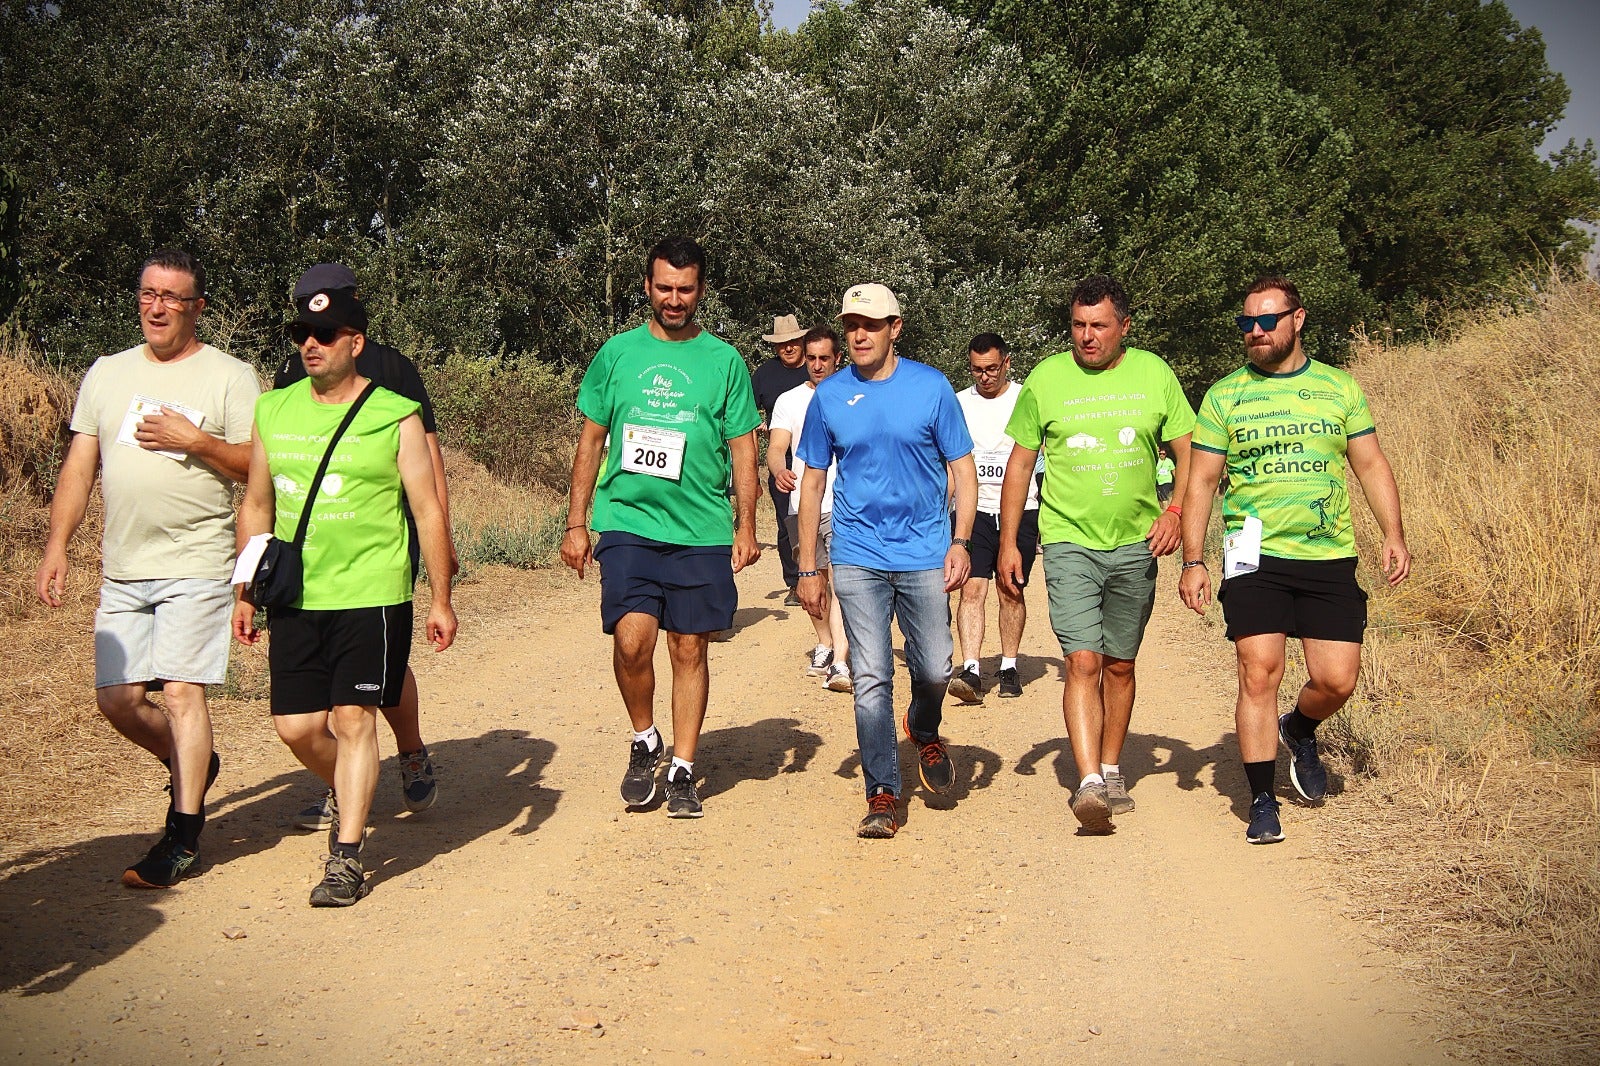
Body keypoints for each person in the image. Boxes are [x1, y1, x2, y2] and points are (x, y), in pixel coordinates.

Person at [36, 249, 259, 888]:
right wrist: (57, 545)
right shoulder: (107, 373)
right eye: (148, 294)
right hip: (125, 565)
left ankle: (183, 835)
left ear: (198, 308)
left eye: (172, 298)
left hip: (198, 559)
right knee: (118, 700)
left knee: (184, 691)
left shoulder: (230, 376)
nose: (157, 308)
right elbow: (81, 466)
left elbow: (257, 467)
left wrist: (198, 442)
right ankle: (194, 763)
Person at [233, 283, 456, 906]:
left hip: (371, 589)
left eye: (325, 335)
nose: (311, 344)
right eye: (302, 334)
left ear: (354, 343)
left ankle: (347, 855)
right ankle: (357, 785)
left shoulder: (395, 413)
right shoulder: (272, 410)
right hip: (296, 593)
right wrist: (245, 590)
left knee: (354, 718)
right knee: (296, 727)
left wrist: (440, 596)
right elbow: (257, 504)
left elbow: (427, 509)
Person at [1178, 275, 1410, 844]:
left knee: (1337, 680)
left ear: (1297, 320)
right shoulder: (1224, 396)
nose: (1255, 332)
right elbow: (1202, 481)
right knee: (1259, 670)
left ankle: (1299, 727)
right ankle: (1262, 800)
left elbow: (1370, 464)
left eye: (1267, 321)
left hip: (1328, 554)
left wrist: (1393, 533)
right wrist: (1193, 560)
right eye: (1246, 323)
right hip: (1253, 554)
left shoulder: (1338, 388)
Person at [561, 236, 761, 819]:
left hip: (700, 527)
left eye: (686, 289)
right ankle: (645, 736)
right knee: (631, 640)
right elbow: (591, 440)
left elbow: (744, 448)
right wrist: (576, 523)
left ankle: (683, 768)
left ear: (701, 291)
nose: (675, 299)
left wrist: (746, 526)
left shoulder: (724, 361)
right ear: (648, 286)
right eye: (665, 288)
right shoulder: (617, 354)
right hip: (628, 520)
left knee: (689, 646)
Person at [998, 275, 1193, 833]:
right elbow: (1020, 464)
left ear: (1123, 327)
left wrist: (1175, 513)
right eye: (1079, 325)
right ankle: (1088, 783)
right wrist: (1010, 542)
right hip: (1068, 540)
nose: (1087, 336)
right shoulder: (1047, 378)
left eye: (1099, 326)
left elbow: (1189, 453)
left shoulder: (1154, 374)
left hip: (1136, 541)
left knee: (1120, 664)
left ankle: (1111, 768)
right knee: (1082, 661)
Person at [273, 263, 457, 829]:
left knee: (382, 668)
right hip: (314, 550)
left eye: (327, 311)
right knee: (328, 691)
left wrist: (442, 545)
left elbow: (429, 455)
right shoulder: (292, 372)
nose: (315, 329)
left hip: (383, 537)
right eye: (305, 311)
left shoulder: (392, 367)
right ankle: (345, 782)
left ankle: (410, 750)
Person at [796, 283, 976, 838]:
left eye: (870, 325)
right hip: (857, 553)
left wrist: (961, 542)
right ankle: (882, 792)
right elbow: (812, 482)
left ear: (895, 328)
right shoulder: (829, 396)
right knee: (870, 674)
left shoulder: (931, 386)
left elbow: (964, 470)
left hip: (924, 551)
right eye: (851, 325)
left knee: (936, 667)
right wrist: (809, 567)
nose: (859, 335)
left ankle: (923, 726)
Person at [949, 333, 1040, 703]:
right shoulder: (958, 403)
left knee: (1010, 588)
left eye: (991, 368)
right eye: (976, 370)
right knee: (972, 588)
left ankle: (1008, 665)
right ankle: (971, 668)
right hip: (974, 510)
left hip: (1020, 509)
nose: (984, 376)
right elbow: (950, 462)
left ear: (1006, 363)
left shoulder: (1026, 398)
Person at [767, 324, 852, 692]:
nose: (817, 365)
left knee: (841, 581)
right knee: (811, 580)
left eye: (824, 359)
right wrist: (779, 470)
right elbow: (776, 448)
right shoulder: (789, 400)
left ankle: (841, 660)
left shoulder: (853, 394)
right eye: (812, 358)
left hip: (843, 504)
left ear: (837, 359)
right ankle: (825, 643)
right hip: (801, 504)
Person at [751, 314, 810, 605]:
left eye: (793, 342)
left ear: (802, 341)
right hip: (782, 458)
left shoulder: (817, 367)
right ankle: (795, 582)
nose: (787, 348)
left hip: (821, 455)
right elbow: (747, 417)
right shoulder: (764, 375)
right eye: (781, 344)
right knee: (788, 521)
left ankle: (829, 577)